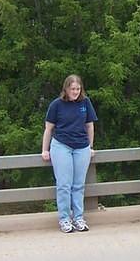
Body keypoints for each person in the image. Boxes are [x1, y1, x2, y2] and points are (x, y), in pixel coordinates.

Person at [41, 75, 98, 233]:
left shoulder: (85, 103)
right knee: (64, 185)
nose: (75, 92)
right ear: (66, 89)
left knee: (79, 185)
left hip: (81, 147)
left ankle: (78, 217)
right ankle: (65, 219)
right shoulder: (56, 105)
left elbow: (90, 126)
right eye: (72, 89)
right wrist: (45, 150)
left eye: (78, 89)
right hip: (61, 145)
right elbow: (48, 129)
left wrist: (90, 146)